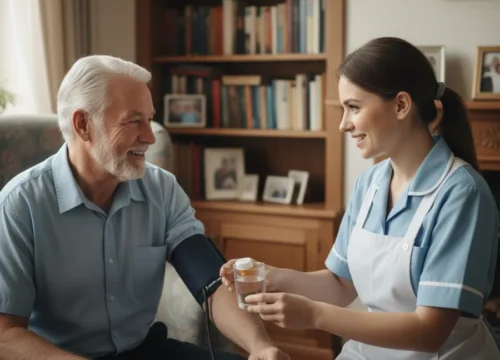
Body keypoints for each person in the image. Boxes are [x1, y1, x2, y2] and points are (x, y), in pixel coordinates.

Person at [220, 37, 500, 359]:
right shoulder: (370, 183)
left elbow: (430, 332)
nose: (343, 124)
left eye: (353, 107)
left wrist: (314, 315)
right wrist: (270, 276)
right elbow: (340, 285)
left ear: (401, 105)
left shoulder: (462, 194)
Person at [0, 55, 289, 360]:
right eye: (133, 121)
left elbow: (210, 280)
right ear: (83, 124)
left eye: (149, 119)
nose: (150, 137)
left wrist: (260, 345)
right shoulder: (19, 207)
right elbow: (5, 334)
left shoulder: (162, 189)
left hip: (143, 350)